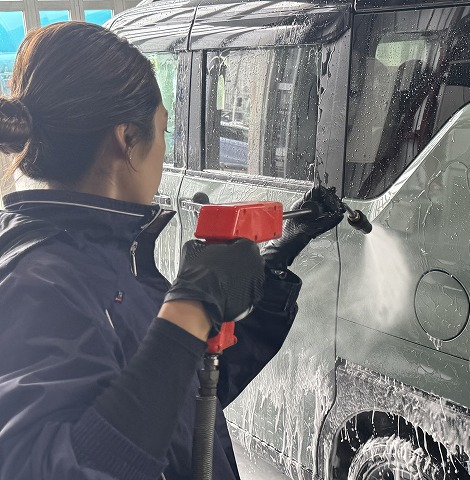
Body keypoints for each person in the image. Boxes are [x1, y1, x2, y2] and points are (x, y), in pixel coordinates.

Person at [0, 22, 343, 480]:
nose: (165, 152)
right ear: (127, 141)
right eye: (164, 130)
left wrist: (274, 266)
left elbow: (178, 399)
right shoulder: (40, 281)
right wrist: (191, 306)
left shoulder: (106, 254)